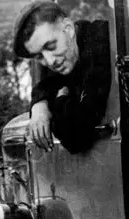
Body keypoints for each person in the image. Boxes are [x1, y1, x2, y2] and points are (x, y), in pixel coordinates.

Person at [13, 1, 112, 153]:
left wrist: (59, 101)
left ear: (69, 29)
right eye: (39, 56)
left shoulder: (101, 45)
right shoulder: (69, 52)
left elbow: (76, 139)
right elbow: (47, 83)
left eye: (51, 46)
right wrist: (39, 105)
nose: (50, 61)